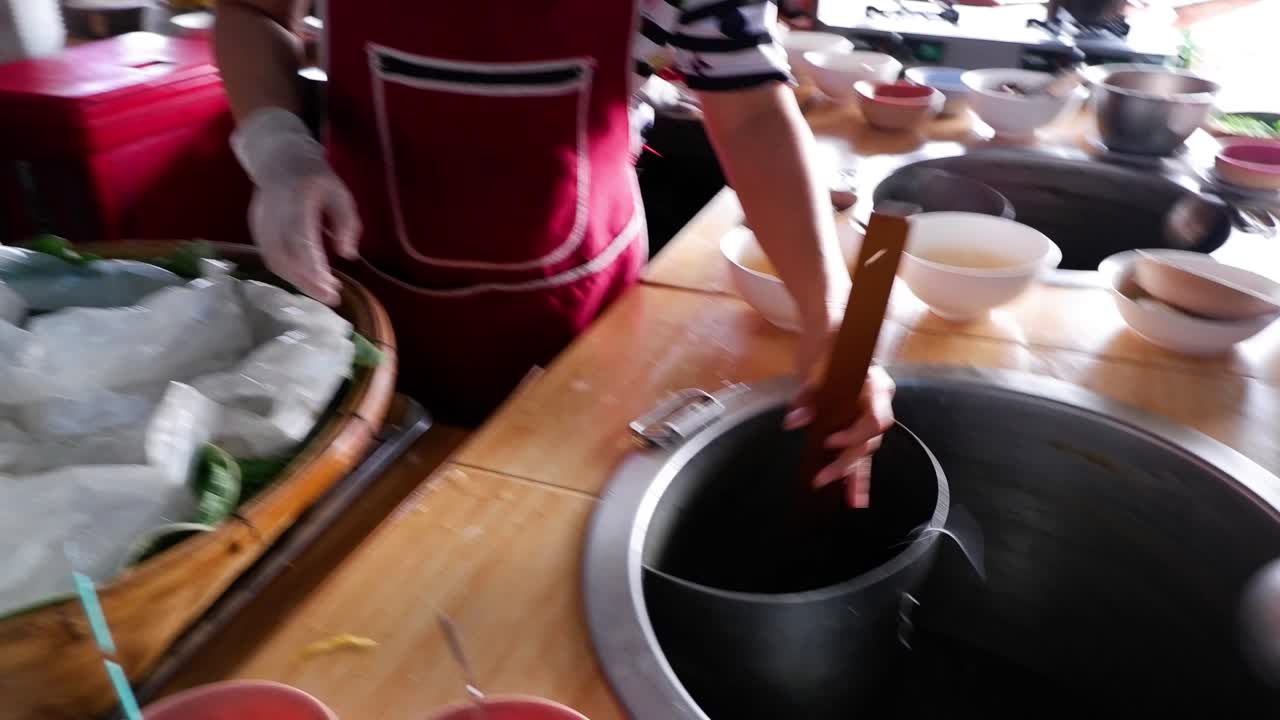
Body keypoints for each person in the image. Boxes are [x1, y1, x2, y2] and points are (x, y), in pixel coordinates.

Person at [216, 0, 894, 507]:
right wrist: (278, 149)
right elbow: (252, 10)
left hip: (586, 328)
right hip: (378, 316)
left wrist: (829, 312)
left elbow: (748, 108)